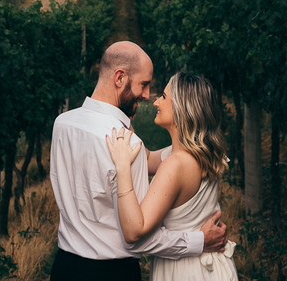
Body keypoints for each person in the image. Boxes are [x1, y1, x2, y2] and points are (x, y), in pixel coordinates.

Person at [49, 42, 227, 281]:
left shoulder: (62, 124)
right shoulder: (127, 145)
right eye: (144, 85)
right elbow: (137, 237)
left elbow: (158, 157)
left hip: (64, 267)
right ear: (119, 78)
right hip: (112, 273)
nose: (147, 96)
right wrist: (199, 240)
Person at [107, 72, 237, 281]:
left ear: (183, 109)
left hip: (185, 270)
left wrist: (122, 167)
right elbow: (147, 158)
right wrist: (121, 114)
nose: (157, 101)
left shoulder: (175, 165)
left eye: (165, 97)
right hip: (211, 266)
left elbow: (134, 230)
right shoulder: (199, 152)